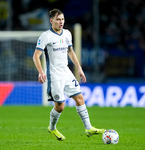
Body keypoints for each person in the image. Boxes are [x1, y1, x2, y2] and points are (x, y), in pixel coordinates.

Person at [33, 8, 105, 141]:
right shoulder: (46, 36)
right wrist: (41, 72)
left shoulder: (67, 34)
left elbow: (71, 52)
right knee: (60, 107)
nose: (61, 22)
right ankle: (52, 128)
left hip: (67, 72)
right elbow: (36, 55)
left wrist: (79, 68)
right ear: (51, 21)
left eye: (62, 19)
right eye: (58, 19)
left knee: (80, 98)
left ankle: (88, 128)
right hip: (54, 75)